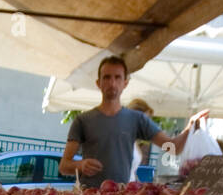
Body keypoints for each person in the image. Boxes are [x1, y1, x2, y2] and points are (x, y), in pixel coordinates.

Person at [61, 57, 207, 187]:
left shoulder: (137, 119)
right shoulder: (83, 120)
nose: (112, 83)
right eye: (107, 77)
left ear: (125, 83)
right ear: (98, 83)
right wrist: (81, 165)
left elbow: (172, 147)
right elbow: (64, 166)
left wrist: (190, 127)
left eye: (118, 78)